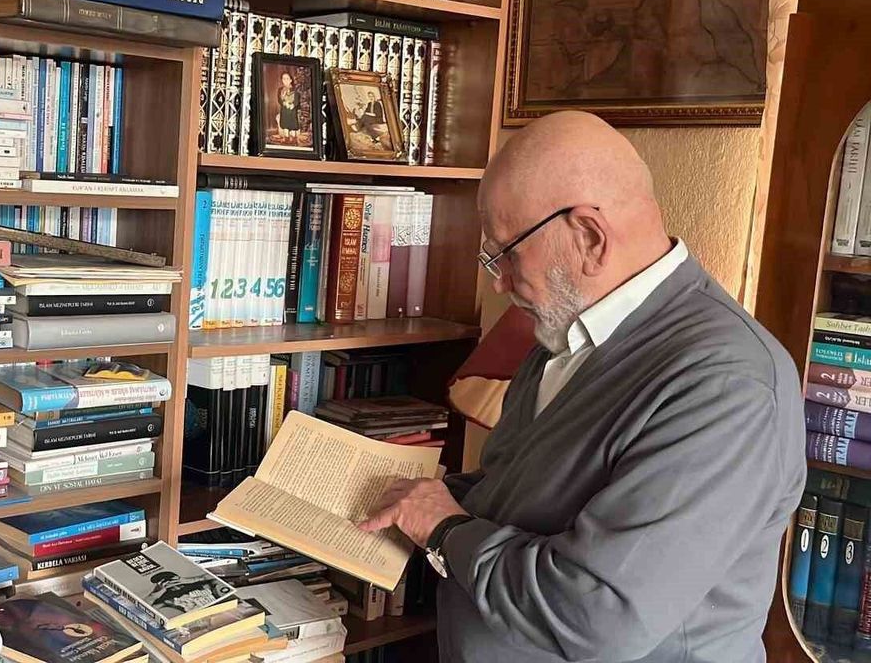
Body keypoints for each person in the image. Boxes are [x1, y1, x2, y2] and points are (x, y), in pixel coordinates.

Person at [357, 111, 805, 662]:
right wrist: (416, 497)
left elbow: (597, 614)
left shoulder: (725, 384)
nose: (500, 282)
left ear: (590, 237)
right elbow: (520, 491)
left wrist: (444, 528)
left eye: (507, 253)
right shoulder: (566, 328)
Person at [275, 71, 301, 143]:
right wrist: (284, 103)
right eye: (284, 79)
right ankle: (286, 137)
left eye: (287, 78)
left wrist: (293, 105)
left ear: (290, 80)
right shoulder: (280, 90)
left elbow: (297, 99)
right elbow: (279, 99)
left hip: (292, 110)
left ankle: (293, 138)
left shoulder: (295, 90)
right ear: (282, 80)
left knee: (292, 125)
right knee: (285, 124)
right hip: (284, 110)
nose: (285, 80)